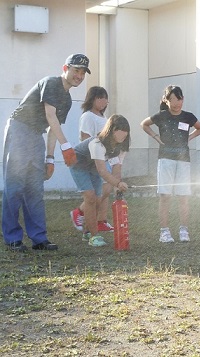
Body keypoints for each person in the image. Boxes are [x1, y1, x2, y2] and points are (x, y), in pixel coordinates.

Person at [2, 53, 90, 252]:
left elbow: (52, 128)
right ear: (65, 68)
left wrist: (50, 159)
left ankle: (39, 239)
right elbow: (50, 115)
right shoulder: (51, 82)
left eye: (83, 72)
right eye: (76, 70)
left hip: (36, 135)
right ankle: (12, 238)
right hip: (19, 128)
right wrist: (66, 146)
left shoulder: (67, 100)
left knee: (35, 188)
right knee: (15, 185)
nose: (80, 75)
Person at [140, 85, 200, 243]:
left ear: (183, 99)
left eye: (179, 99)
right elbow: (144, 124)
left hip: (183, 161)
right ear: (166, 101)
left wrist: (188, 138)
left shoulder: (188, 117)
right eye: (173, 100)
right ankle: (164, 231)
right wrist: (155, 136)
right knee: (165, 196)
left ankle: (184, 230)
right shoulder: (162, 116)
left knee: (183, 196)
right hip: (166, 159)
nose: (176, 103)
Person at [69, 114, 130, 247]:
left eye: (127, 130)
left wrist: (117, 187)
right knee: (90, 197)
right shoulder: (97, 143)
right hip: (78, 164)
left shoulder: (121, 146)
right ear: (112, 130)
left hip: (93, 167)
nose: (125, 133)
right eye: (121, 130)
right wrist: (118, 183)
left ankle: (87, 232)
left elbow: (117, 168)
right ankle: (94, 236)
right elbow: (102, 171)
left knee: (97, 199)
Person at [70, 86, 116, 233]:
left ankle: (101, 220)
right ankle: (79, 212)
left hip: (105, 157)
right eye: (99, 97)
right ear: (92, 99)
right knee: (99, 192)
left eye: (105, 98)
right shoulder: (88, 116)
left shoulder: (104, 117)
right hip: (93, 159)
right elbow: (86, 139)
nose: (103, 101)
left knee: (106, 190)